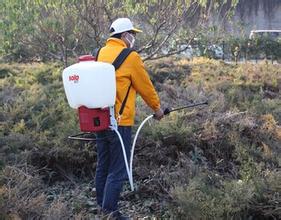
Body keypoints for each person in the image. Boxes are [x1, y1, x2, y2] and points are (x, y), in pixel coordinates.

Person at [95, 18, 164, 219]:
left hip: (100, 120)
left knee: (103, 165)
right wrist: (157, 109)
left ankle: (102, 207)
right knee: (118, 169)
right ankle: (110, 213)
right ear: (124, 36)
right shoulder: (130, 56)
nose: (133, 38)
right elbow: (145, 86)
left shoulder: (99, 53)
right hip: (119, 122)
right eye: (132, 34)